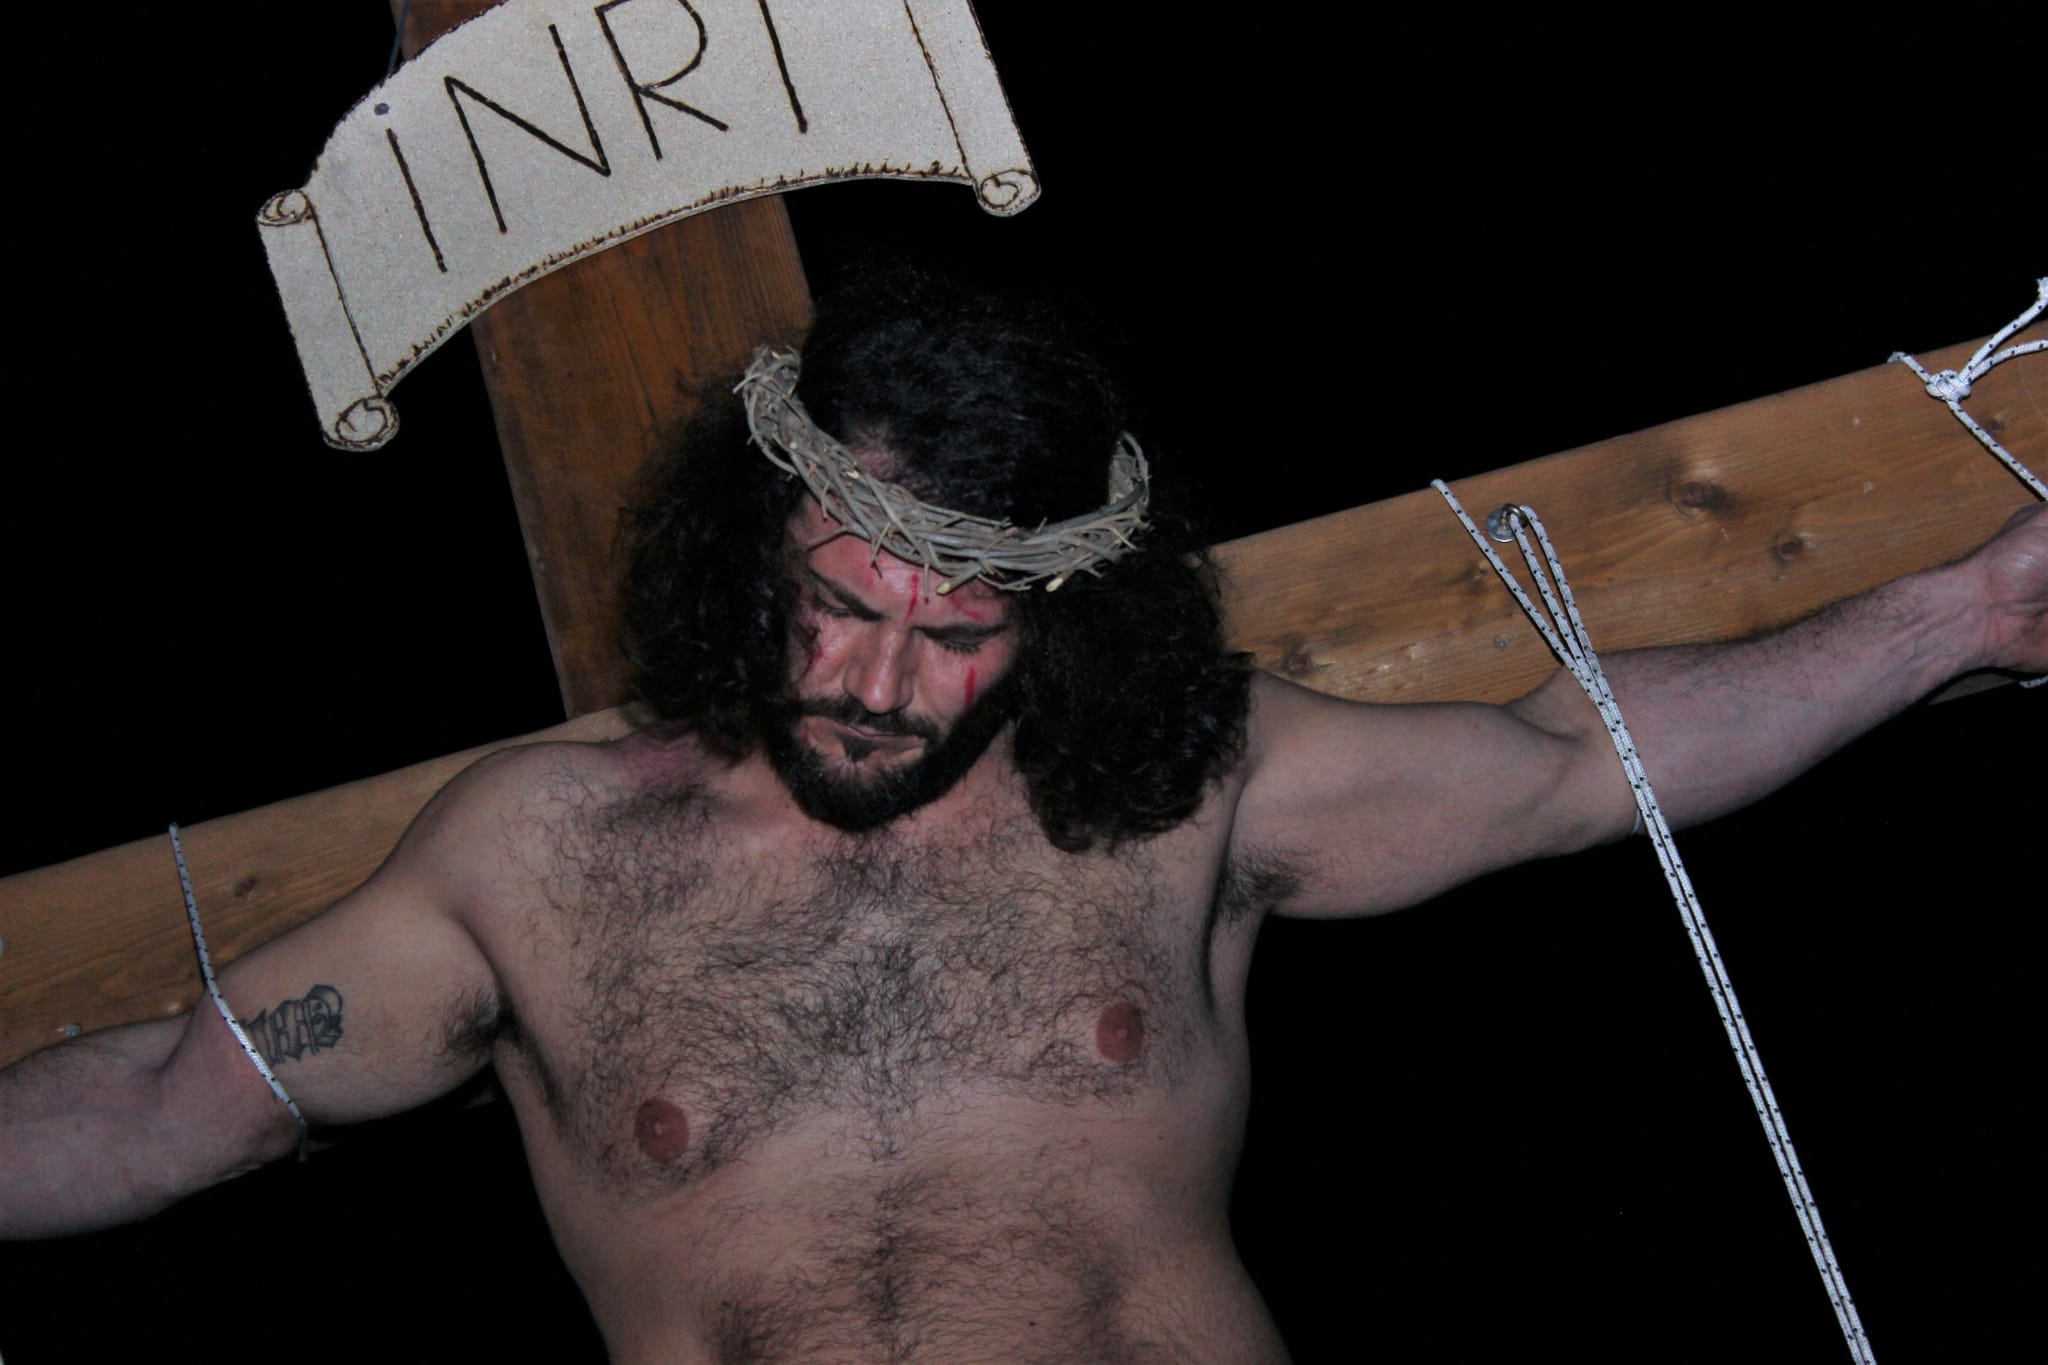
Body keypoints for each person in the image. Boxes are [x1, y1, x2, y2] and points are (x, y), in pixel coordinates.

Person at [3, 267, 2043, 1364]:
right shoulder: (533, 857)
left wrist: (1968, 610)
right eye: (837, 603)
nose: (877, 683)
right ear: (748, 545)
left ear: (1061, 617)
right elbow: (171, 1105)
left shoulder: (1174, 790)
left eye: (958, 631)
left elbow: (1577, 766)